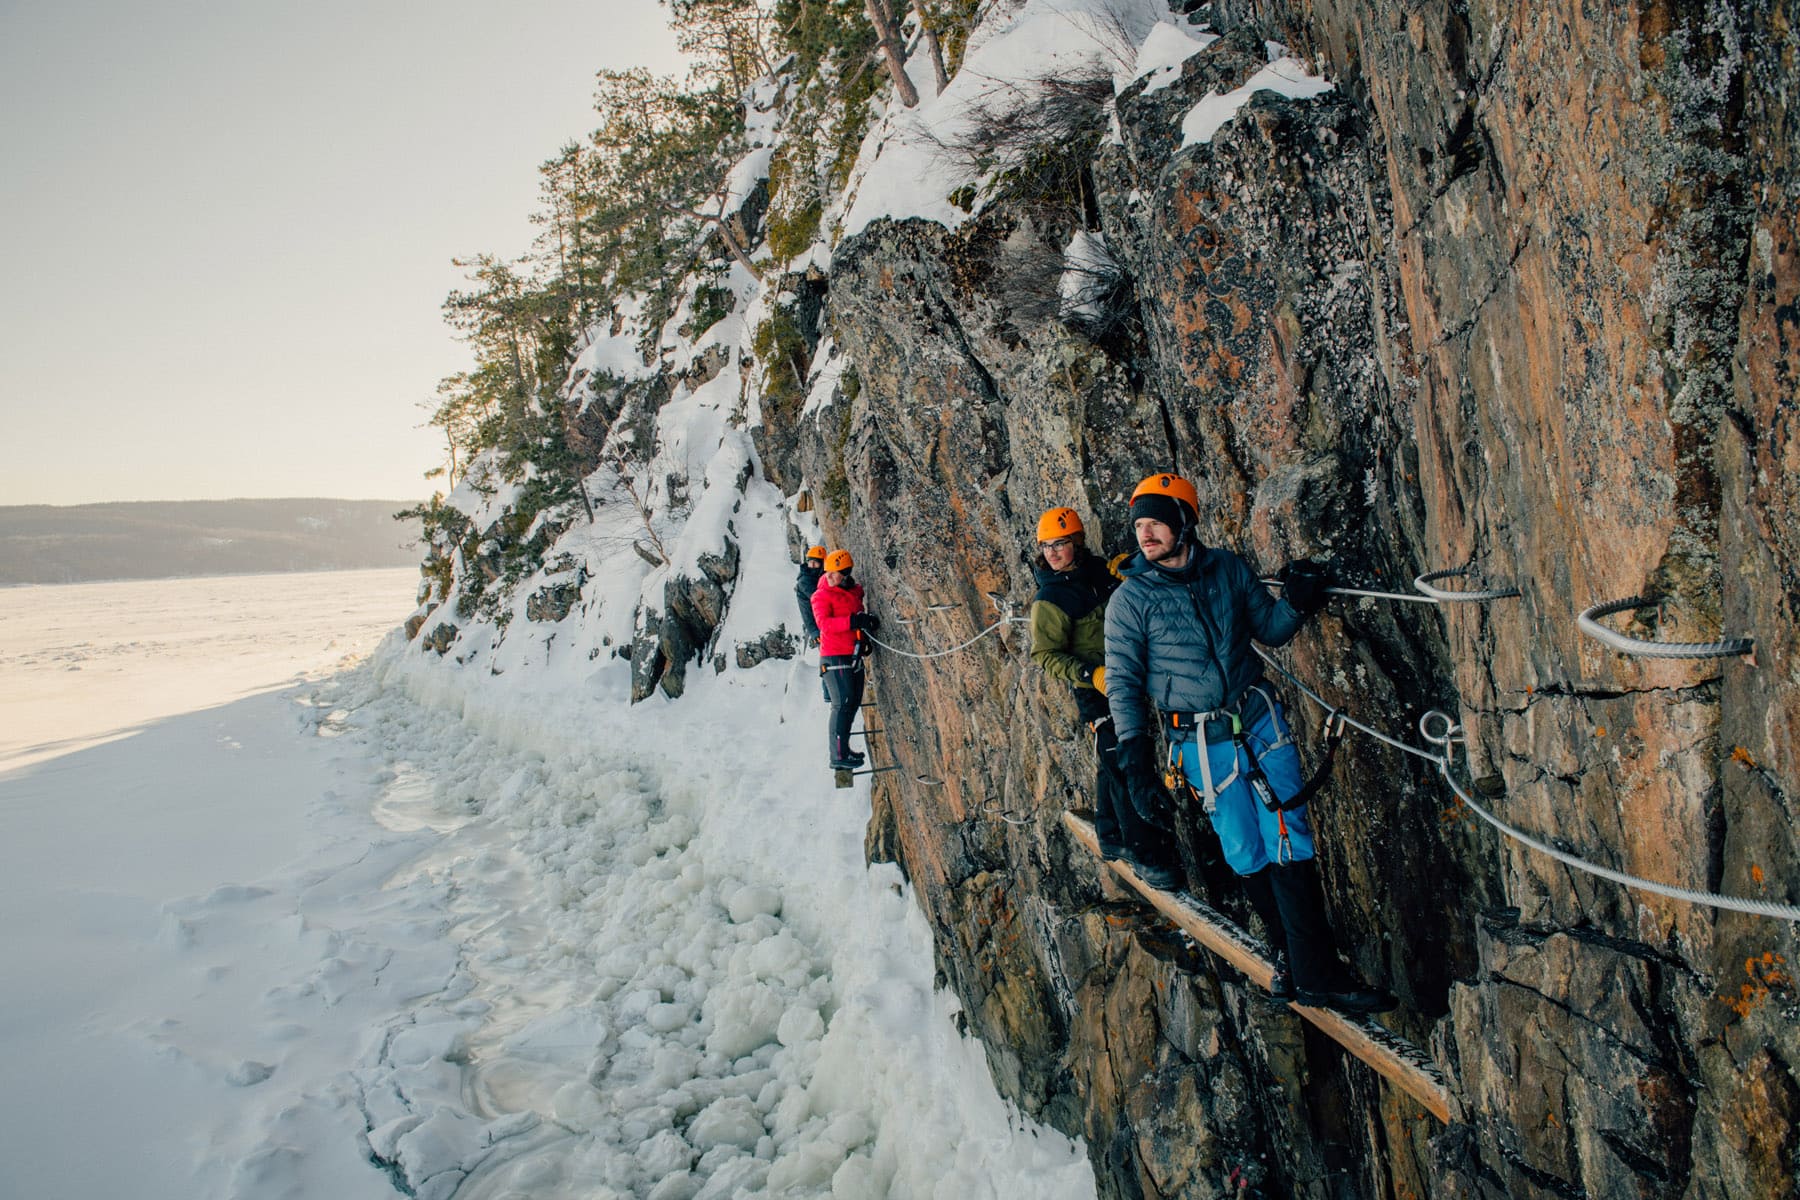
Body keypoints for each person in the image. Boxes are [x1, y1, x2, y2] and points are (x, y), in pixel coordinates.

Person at [1104, 472, 1395, 1014]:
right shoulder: (1130, 601)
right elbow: (1121, 683)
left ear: (1184, 522)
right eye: (1140, 525)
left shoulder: (1228, 569)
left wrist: (1298, 602)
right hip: (1199, 741)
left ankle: (1318, 974)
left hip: (1256, 719)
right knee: (1244, 849)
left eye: (1157, 522)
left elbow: (1270, 629)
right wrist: (1135, 761)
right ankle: (1289, 955)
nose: (1146, 534)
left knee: (1289, 836)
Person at [1028, 506, 1182, 889]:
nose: (1052, 553)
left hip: (1128, 673)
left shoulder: (1099, 572)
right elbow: (1045, 655)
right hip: (1096, 689)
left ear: (1077, 543)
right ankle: (1146, 855)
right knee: (1120, 758)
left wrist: (1127, 569)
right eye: (1047, 546)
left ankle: (1110, 831)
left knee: (1112, 756)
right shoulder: (1050, 598)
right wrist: (1089, 674)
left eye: (1060, 544)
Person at [810, 549, 880, 770]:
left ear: (846, 573)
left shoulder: (854, 591)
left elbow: (856, 610)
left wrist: (863, 628)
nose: (830, 577)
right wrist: (854, 621)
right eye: (829, 572)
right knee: (842, 705)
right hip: (834, 656)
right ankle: (838, 755)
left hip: (851, 654)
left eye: (836, 573)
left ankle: (844, 750)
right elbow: (824, 624)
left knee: (852, 703)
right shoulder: (821, 595)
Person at [794, 545, 826, 648]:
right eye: (810, 562)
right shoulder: (805, 581)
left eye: (815, 562)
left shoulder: (818, 576)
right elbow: (821, 598)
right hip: (817, 628)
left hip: (819, 624)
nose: (812, 565)